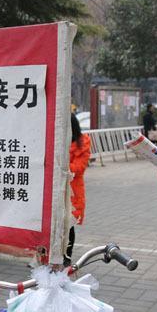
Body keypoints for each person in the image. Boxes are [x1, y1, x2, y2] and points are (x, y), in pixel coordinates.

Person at [65, 113, 91, 265]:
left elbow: (79, 168)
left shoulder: (83, 142)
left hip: (72, 191)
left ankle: (66, 257)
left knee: (69, 224)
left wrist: (60, 167)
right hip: (54, 189)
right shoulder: (55, 140)